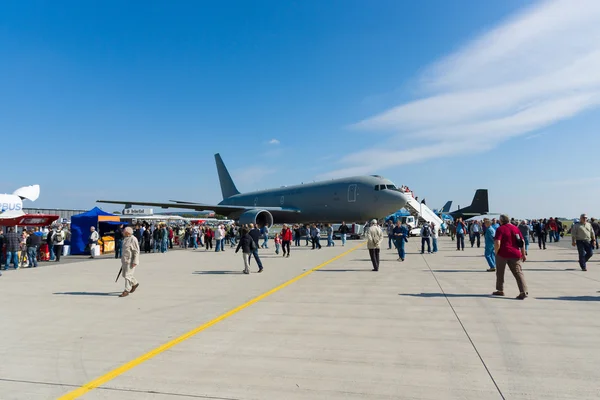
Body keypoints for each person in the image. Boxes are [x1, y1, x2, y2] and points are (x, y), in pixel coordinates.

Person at [493, 214, 528, 299]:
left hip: (503, 253)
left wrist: (497, 252)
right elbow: (522, 242)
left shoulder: (500, 229)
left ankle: (500, 290)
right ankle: (523, 291)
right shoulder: (516, 228)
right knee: (518, 272)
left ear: (501, 221)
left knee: (500, 272)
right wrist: (523, 254)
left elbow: (497, 242)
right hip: (515, 253)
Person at [119, 227, 140, 297]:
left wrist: (135, 261)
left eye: (124, 232)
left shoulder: (133, 239)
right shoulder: (125, 239)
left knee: (127, 275)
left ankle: (126, 290)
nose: (123, 233)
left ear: (128, 233)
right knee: (125, 275)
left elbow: (136, 251)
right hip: (125, 260)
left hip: (130, 261)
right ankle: (135, 283)